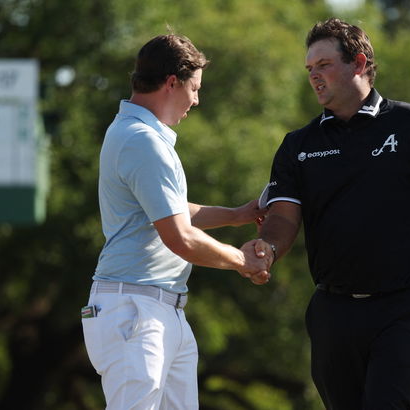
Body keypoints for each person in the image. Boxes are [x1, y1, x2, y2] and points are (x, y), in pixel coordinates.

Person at [253, 18, 410, 409]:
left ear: (358, 63)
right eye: (310, 69)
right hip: (332, 309)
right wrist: (267, 249)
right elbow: (283, 216)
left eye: (323, 65)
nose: (315, 77)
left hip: (405, 302)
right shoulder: (298, 144)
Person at [81, 34, 271, 410]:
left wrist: (237, 216)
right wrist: (242, 261)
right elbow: (180, 237)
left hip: (158, 309)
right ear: (172, 83)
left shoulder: (137, 134)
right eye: (195, 89)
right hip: (135, 310)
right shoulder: (142, 140)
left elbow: (171, 212)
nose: (196, 101)